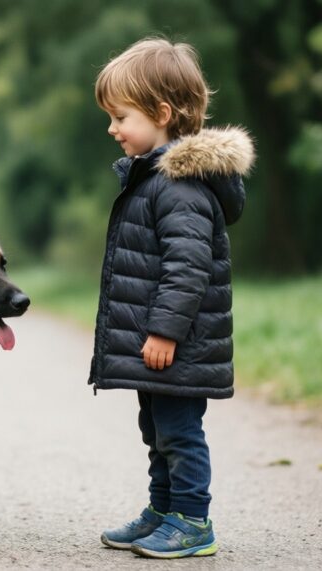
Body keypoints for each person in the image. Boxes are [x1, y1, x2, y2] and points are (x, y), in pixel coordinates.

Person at [88, 37, 254, 559]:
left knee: (179, 433)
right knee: (156, 429)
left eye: (120, 116)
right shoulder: (154, 178)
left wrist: (164, 331)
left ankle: (192, 521)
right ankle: (163, 511)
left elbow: (189, 269)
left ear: (161, 113)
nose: (112, 128)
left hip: (178, 343)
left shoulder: (178, 188)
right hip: (162, 347)